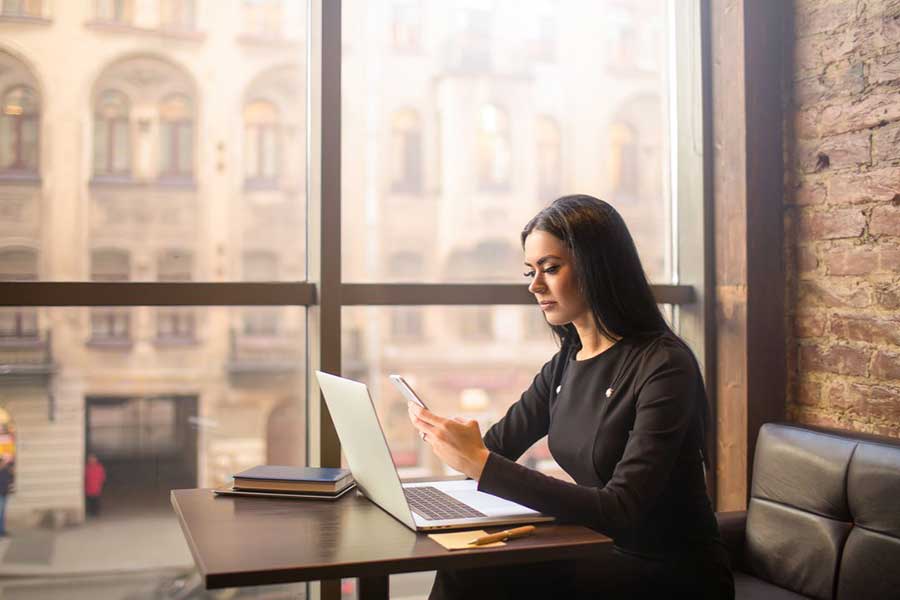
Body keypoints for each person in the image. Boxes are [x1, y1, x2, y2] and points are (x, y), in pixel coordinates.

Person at [408, 195, 734, 599]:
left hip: (669, 573)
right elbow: (494, 448)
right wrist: (456, 443)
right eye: (530, 270)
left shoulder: (665, 366)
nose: (534, 285)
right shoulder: (565, 362)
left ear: (598, 267)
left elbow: (620, 508)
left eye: (550, 268)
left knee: (471, 576)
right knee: (467, 567)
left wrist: (480, 462)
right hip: (599, 550)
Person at [0, 454, 12, 537]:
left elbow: (9, 479)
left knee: (2, 513)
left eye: (4, 462)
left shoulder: (5, 471)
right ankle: (1, 531)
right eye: (2, 463)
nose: (3, 464)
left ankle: (2, 530)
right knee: (0, 514)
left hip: (4, 494)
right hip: (0, 494)